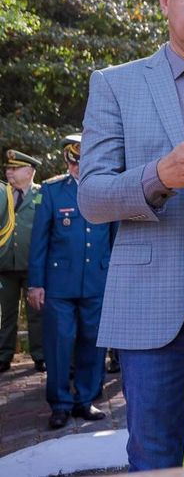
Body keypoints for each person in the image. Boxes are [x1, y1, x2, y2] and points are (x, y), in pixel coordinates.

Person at [78, 0, 184, 470]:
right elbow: (91, 197)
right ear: (165, 0)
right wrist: (160, 176)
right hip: (154, 311)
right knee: (155, 456)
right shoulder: (117, 84)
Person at [27, 135, 115, 429]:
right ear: (68, 162)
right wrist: (35, 284)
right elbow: (38, 242)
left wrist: (115, 279)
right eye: (73, 162)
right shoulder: (53, 191)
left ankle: (85, 400)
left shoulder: (105, 189)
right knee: (59, 345)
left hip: (97, 281)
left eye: (82, 162)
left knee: (93, 342)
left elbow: (114, 238)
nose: (78, 167)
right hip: (59, 284)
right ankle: (61, 403)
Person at [0, 149, 45, 373]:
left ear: (29, 171)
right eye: (8, 168)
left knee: (36, 313)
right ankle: (4, 356)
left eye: (14, 168)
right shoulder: (2, 194)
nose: (9, 172)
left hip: (32, 265)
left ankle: (39, 355)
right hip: (5, 264)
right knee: (7, 314)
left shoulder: (42, 194)